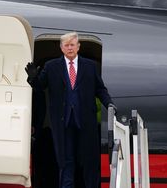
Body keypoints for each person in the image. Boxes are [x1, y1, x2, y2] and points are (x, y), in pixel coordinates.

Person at [25, 32, 116, 188]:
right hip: (63, 123)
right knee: (66, 162)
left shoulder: (90, 66)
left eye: (72, 45)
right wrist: (33, 78)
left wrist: (109, 104)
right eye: (66, 45)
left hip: (85, 122)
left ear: (78, 46)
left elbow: (100, 89)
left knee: (88, 161)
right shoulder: (51, 66)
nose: (69, 48)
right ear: (61, 48)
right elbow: (40, 87)